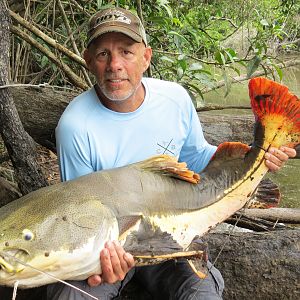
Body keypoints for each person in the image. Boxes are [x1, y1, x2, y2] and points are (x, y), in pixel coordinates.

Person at [48, 7, 296, 300]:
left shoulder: (174, 98)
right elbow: (81, 216)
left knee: (201, 294)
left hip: (174, 238)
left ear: (146, 57)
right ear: (89, 61)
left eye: (126, 52)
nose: (115, 64)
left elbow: (197, 160)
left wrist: (260, 160)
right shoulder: (75, 126)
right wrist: (98, 264)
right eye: (103, 53)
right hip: (111, 250)